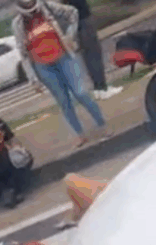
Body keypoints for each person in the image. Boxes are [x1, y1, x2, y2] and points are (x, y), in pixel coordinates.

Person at [12, 0, 110, 147]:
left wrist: (69, 36)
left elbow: (73, 13)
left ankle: (102, 124)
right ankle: (79, 134)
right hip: (43, 66)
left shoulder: (47, 7)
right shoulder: (18, 23)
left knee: (81, 93)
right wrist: (33, 79)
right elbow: (23, 53)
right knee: (64, 101)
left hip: (64, 57)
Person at [62, 0, 123, 100]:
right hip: (82, 18)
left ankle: (98, 88)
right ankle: (102, 88)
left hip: (76, 20)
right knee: (94, 54)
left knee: (89, 56)